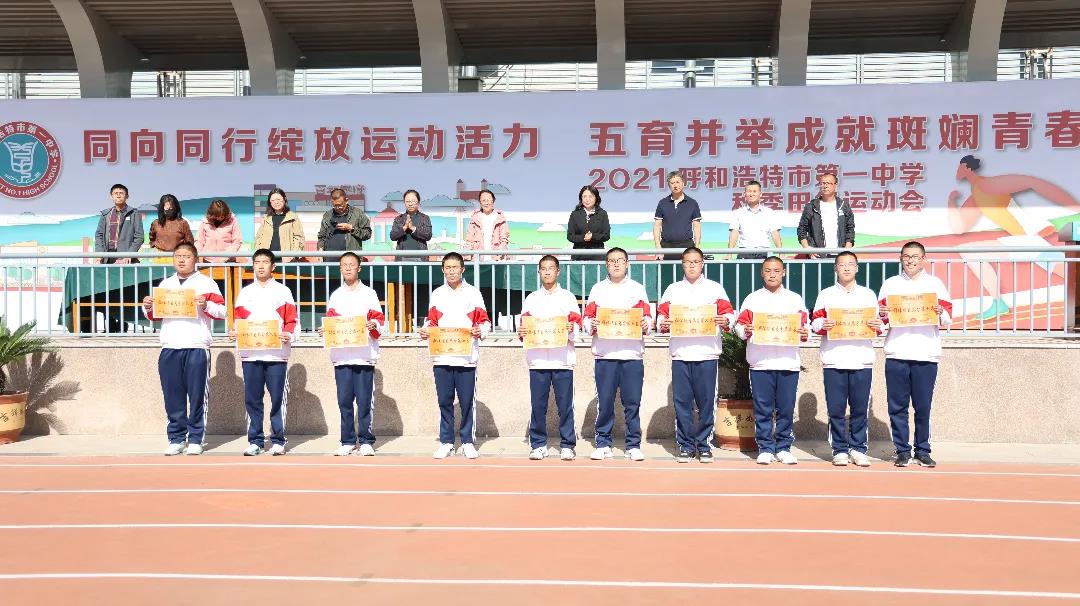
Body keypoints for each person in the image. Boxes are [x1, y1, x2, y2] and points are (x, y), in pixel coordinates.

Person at [948, 155, 1080, 319]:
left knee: (968, 250)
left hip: (1028, 239)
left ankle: (998, 303)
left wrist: (1075, 207)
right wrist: (951, 201)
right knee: (1070, 272)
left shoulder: (988, 184)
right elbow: (959, 227)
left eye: (960, 166)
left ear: (967, 168)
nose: (957, 170)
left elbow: (1032, 182)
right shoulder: (976, 194)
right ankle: (998, 303)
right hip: (1028, 242)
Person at [141, 243, 227, 456]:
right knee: (172, 395)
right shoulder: (166, 284)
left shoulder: (206, 283)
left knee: (197, 396)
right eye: (178, 256)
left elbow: (222, 312)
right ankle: (176, 438)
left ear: (195, 259)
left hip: (196, 345)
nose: (181, 259)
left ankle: (196, 439)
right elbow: (155, 316)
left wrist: (205, 305)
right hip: (170, 346)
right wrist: (148, 306)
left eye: (186, 256)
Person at [655, 247, 736, 464]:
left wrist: (725, 320)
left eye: (696, 262)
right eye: (688, 262)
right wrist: (663, 323)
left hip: (707, 353)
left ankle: (704, 445)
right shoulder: (673, 290)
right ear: (682, 264)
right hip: (681, 354)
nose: (691, 266)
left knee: (706, 403)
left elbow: (729, 315)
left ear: (702, 264)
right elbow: (661, 317)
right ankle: (685, 446)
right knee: (682, 403)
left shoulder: (715, 289)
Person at [877, 241, 952, 468]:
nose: (910, 261)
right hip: (897, 351)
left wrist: (940, 312)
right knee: (897, 406)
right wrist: (883, 314)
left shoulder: (935, 284)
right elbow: (880, 320)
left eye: (915, 256)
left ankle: (923, 450)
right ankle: (902, 451)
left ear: (923, 259)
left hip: (926, 352)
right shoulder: (890, 284)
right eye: (906, 256)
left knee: (923, 406)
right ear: (900, 258)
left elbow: (948, 317)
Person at [810, 251, 883, 467]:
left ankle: (858, 448)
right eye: (842, 264)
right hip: (834, 359)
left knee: (860, 408)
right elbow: (815, 322)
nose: (847, 268)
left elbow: (878, 323)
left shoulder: (868, 295)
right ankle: (839, 449)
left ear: (857, 268)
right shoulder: (826, 295)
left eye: (851, 264)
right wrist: (823, 324)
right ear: (836, 268)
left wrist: (878, 325)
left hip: (862, 359)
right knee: (836, 409)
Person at [734, 257, 809, 465]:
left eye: (776, 270)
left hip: (788, 362)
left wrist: (805, 332)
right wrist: (745, 330)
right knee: (762, 408)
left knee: (786, 408)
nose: (772, 274)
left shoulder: (794, 299)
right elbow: (739, 327)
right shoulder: (752, 299)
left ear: (783, 272)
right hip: (761, 362)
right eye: (768, 271)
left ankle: (783, 447)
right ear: (762, 273)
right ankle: (765, 447)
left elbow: (805, 326)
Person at [419, 252, 491, 459]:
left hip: (466, 358)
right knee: (444, 400)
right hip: (442, 356)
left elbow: (485, 321)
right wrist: (425, 330)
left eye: (455, 267)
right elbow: (431, 321)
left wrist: (480, 330)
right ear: (443, 270)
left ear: (462, 269)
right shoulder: (437, 294)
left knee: (467, 401)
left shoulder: (473, 294)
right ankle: (446, 441)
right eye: (448, 268)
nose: (451, 271)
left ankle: (467, 441)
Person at [582, 247, 652, 461]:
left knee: (633, 403)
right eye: (612, 261)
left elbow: (648, 318)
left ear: (627, 263)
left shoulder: (637, 289)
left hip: (632, 355)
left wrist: (646, 324)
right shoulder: (597, 289)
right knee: (605, 402)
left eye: (620, 260)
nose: (616, 264)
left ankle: (633, 445)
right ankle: (603, 443)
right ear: (606, 264)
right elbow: (586, 319)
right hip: (605, 355)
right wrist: (591, 324)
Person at [229, 249, 298, 456]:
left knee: (277, 399)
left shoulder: (283, 291)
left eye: (265, 262)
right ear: (253, 265)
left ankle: (278, 440)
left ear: (273, 266)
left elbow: (292, 321)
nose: (260, 265)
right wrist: (235, 332)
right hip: (251, 354)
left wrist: (289, 335)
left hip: (276, 354)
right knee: (252, 399)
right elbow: (239, 320)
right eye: (257, 262)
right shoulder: (245, 292)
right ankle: (256, 441)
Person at [320, 252, 387, 456]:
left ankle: (366, 440)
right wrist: (326, 330)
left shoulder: (369, 294)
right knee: (344, 401)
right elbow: (331, 321)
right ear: (340, 268)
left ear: (359, 268)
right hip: (341, 357)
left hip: (364, 355)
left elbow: (380, 321)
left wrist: (373, 324)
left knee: (365, 401)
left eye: (351, 264)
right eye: (344, 265)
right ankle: (347, 441)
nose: (348, 268)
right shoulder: (336, 295)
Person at [517, 255, 582, 461]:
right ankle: (538, 444)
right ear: (539, 272)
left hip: (563, 360)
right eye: (543, 268)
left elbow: (577, 326)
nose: (547, 272)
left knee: (565, 405)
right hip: (538, 360)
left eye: (551, 268)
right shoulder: (532, 298)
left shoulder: (568, 298)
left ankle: (568, 445)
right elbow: (524, 326)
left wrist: (571, 328)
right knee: (538, 405)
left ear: (558, 271)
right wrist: (522, 331)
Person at [797, 173, 855, 257]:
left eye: (828, 183)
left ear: (835, 186)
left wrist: (846, 250)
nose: (825, 186)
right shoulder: (812, 206)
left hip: (840, 255)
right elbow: (802, 229)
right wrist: (807, 248)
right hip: (818, 255)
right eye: (822, 183)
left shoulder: (844, 206)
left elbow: (850, 229)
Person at [653, 171, 701, 260]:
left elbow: (697, 227)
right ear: (669, 185)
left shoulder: (692, 203)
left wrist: (696, 248)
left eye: (678, 182)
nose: (675, 185)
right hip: (666, 246)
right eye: (672, 183)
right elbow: (657, 226)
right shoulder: (662, 203)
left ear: (683, 183)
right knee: (665, 269)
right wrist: (658, 247)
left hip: (687, 246)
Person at [727, 180, 782, 259]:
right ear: (745, 194)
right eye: (749, 191)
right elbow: (734, 233)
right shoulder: (738, 213)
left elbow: (774, 233)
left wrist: (781, 253)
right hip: (744, 252)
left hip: (764, 252)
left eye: (754, 191)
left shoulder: (769, 212)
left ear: (760, 194)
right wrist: (729, 253)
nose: (751, 194)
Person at [94, 183, 143, 264]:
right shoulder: (106, 214)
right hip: (107, 258)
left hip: (126, 259)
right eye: (116, 193)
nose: (118, 196)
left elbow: (139, 237)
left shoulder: (134, 213)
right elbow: (99, 235)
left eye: (121, 193)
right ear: (111, 196)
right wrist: (99, 255)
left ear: (127, 196)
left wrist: (129, 255)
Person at [254, 187, 306, 261]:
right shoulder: (266, 218)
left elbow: (299, 238)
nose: (276, 202)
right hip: (267, 260)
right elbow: (259, 237)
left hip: (286, 260)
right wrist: (260, 253)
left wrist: (293, 255)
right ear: (270, 203)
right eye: (272, 200)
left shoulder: (292, 217)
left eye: (278, 199)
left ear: (284, 199)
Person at [318, 187, 372, 252]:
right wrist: (320, 249)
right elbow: (322, 236)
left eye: (340, 205)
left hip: (350, 256)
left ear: (346, 200)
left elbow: (367, 234)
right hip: (329, 256)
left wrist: (351, 228)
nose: (338, 208)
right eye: (335, 205)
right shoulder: (327, 215)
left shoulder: (358, 213)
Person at [566, 185, 610, 261]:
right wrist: (583, 237)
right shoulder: (575, 214)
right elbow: (570, 236)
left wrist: (593, 236)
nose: (587, 199)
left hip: (597, 257)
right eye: (584, 196)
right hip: (579, 256)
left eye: (590, 196)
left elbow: (606, 235)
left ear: (596, 198)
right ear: (581, 198)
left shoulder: (602, 214)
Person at [465, 189, 510, 259]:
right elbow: (469, 240)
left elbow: (504, 240)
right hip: (478, 259)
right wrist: (469, 256)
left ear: (493, 201)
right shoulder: (475, 218)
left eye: (488, 200)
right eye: (483, 200)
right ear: (480, 202)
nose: (486, 203)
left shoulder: (500, 218)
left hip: (496, 259)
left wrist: (499, 255)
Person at [196, 199, 243, 263]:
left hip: (228, 261)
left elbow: (237, 242)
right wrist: (198, 254)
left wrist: (225, 257)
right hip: (208, 260)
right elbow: (199, 241)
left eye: (223, 215)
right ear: (212, 214)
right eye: (218, 216)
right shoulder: (205, 222)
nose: (221, 218)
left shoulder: (233, 221)